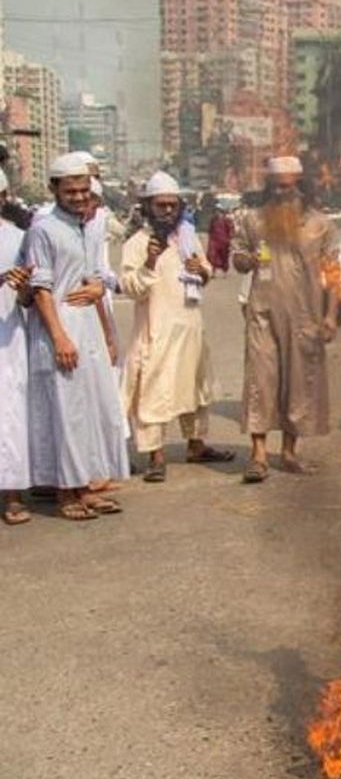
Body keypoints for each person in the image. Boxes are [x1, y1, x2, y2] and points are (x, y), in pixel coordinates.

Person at [24, 153, 130, 519]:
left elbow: (100, 274)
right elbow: (40, 289)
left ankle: (85, 485)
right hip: (60, 326)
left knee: (91, 409)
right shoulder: (43, 229)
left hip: (89, 328)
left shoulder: (92, 225)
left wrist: (101, 289)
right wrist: (60, 337)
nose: (80, 197)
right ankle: (65, 493)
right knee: (66, 411)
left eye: (85, 190)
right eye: (71, 191)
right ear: (54, 189)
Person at [230, 156, 339, 483]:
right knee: (260, 381)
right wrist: (244, 260)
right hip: (262, 312)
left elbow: (334, 273)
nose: (281, 193)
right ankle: (258, 455)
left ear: (301, 188)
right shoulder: (252, 220)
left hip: (306, 316)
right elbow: (236, 258)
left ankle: (290, 452)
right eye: (276, 187)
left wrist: (332, 315)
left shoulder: (320, 224)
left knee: (300, 383)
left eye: (288, 187)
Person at [118, 172, 233, 483]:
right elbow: (131, 288)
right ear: (148, 207)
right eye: (161, 205)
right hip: (157, 330)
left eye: (172, 205)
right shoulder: (137, 244)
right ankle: (155, 455)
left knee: (196, 389)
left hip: (191, 326)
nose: (167, 211)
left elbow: (204, 270)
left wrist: (203, 270)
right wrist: (150, 263)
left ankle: (196, 445)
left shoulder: (187, 237)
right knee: (155, 392)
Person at [1, 168, 32, 525]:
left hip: (7, 336)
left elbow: (28, 297)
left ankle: (11, 493)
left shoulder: (19, 239)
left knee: (9, 415)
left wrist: (20, 286)